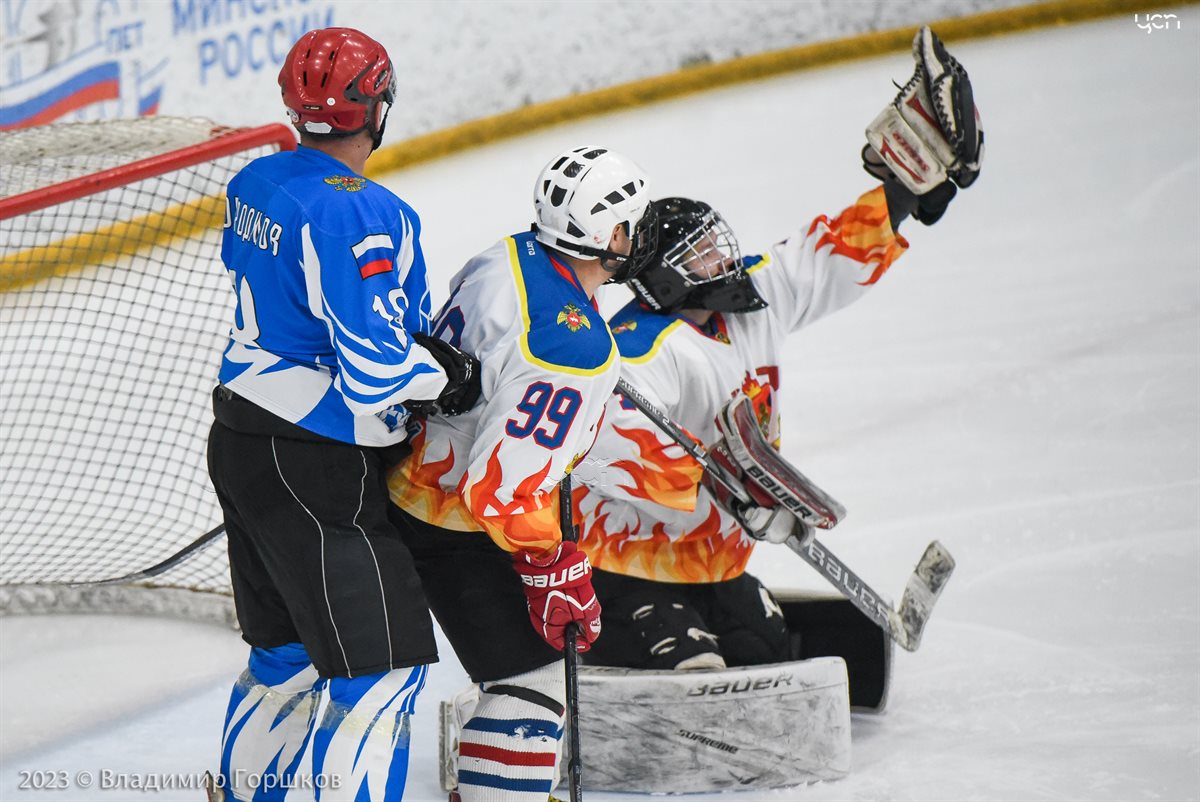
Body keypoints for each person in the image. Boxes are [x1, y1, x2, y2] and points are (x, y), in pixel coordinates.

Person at [571, 27, 983, 673]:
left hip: (720, 555)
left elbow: (828, 254)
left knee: (759, 653)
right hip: (627, 561)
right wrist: (724, 486)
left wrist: (904, 193)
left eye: (719, 242)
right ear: (668, 277)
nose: (724, 258)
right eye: (703, 253)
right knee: (689, 664)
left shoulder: (752, 298)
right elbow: (607, 463)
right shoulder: (638, 352)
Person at [206, 27, 481, 802]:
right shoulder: (366, 215)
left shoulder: (254, 181)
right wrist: (445, 375)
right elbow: (373, 376)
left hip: (241, 438)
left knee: (284, 655)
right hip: (318, 464)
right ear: (379, 105)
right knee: (379, 670)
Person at [386, 145, 657, 801]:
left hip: (401, 477)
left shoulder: (505, 254)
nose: (638, 235)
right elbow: (499, 491)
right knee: (534, 683)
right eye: (630, 223)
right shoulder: (573, 349)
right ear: (603, 235)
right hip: (452, 524)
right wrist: (553, 567)